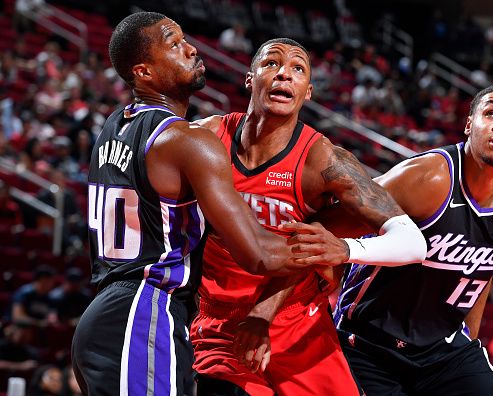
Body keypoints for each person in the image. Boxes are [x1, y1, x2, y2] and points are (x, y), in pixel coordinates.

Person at [71, 13, 352, 396]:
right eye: (173, 44)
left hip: (108, 312)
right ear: (144, 72)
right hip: (146, 310)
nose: (190, 49)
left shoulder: (113, 127)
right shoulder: (189, 140)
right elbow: (258, 255)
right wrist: (346, 245)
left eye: (186, 39)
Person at [190, 38, 426, 395]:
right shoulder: (206, 138)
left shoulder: (324, 161)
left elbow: (412, 242)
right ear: (249, 79)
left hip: (297, 320)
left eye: (298, 68)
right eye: (271, 63)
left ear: (308, 92)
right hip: (221, 320)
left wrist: (346, 250)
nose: (284, 73)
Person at [303, 84, 493, 395]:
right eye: (491, 113)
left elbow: (482, 276)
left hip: (443, 351)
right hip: (368, 344)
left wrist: (470, 336)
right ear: (468, 125)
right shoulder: (427, 178)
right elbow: (326, 226)